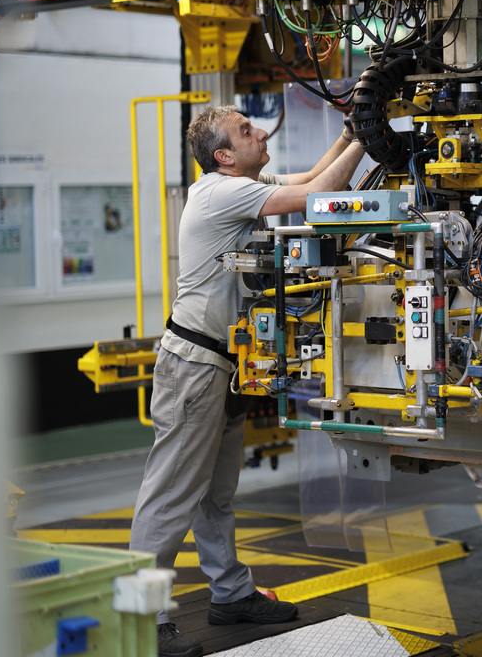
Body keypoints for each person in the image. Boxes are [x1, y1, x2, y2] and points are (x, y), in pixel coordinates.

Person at [130, 105, 369, 657]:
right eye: (245, 131)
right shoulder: (219, 192)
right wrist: (372, 140)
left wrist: (354, 133)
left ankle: (232, 595)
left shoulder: (240, 185)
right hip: (194, 366)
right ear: (223, 157)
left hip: (225, 363)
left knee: (216, 494)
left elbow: (310, 178)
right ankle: (139, 619)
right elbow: (319, 198)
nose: (260, 132)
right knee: (169, 497)